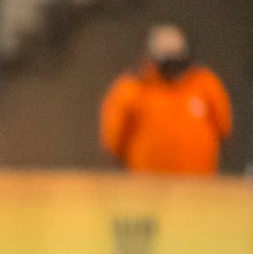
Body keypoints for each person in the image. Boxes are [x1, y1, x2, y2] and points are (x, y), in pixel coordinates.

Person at [100, 24, 233, 175]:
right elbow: (113, 142)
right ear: (152, 58)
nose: (174, 66)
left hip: (199, 187)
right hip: (146, 186)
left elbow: (224, 130)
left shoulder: (204, 84)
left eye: (178, 58)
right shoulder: (133, 90)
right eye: (168, 59)